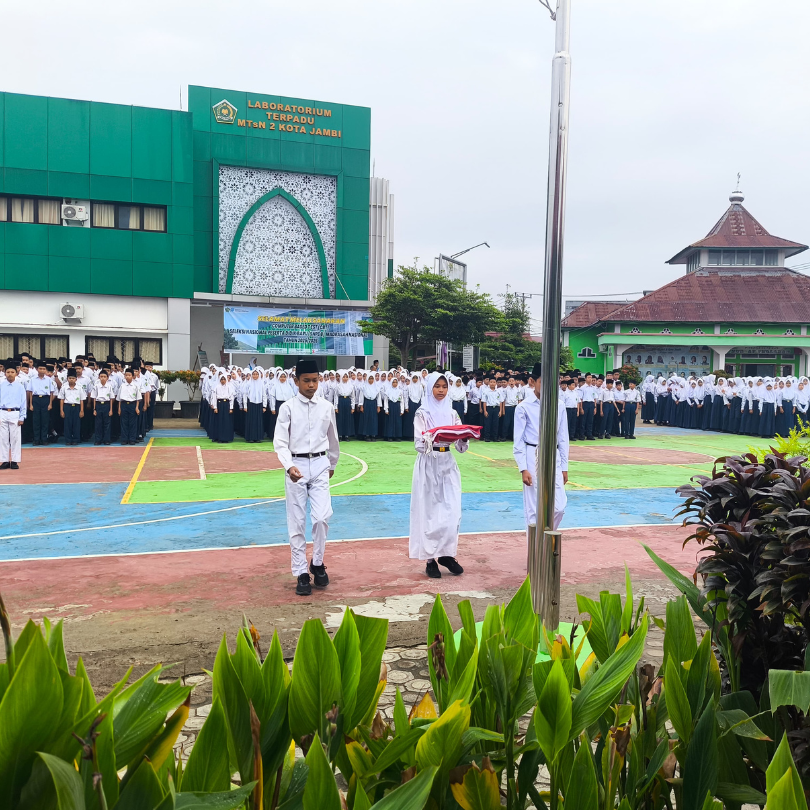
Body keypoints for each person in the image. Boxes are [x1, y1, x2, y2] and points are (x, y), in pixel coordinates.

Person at [273, 358, 340, 596]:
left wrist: (331, 463)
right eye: (306, 381)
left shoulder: (326, 407)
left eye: (315, 380)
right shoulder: (288, 408)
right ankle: (301, 571)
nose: (311, 385)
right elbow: (280, 442)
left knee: (322, 517)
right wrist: (288, 466)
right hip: (296, 467)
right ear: (296, 381)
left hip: (320, 464)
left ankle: (318, 562)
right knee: (297, 521)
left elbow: (333, 438)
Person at [409, 371, 468, 578]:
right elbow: (418, 443)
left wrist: (463, 437)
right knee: (429, 511)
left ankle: (447, 554)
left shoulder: (453, 413)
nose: (441, 390)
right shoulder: (422, 413)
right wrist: (435, 436)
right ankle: (430, 559)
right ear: (430, 388)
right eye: (437, 386)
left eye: (444, 386)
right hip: (429, 463)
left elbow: (461, 447)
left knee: (452, 510)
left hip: (447, 463)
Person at [513, 362, 569, 532]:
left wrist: (564, 466)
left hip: (553, 456)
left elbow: (563, 438)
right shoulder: (523, 407)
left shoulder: (559, 405)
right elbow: (518, 441)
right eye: (543, 382)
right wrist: (523, 468)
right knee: (533, 509)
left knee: (559, 507)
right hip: (532, 455)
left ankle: (546, 539)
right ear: (532, 381)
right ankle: (535, 553)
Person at [0, 361, 27, 469]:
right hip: (2, 412)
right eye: (8, 372)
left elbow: (23, 402)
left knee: (15, 438)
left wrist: (22, 417)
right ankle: (5, 460)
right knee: (3, 438)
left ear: (16, 373)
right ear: (4, 373)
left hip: (15, 413)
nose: (10, 374)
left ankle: (15, 460)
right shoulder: (1, 386)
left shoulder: (20, 387)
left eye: (12, 372)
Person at [28, 359, 56, 446]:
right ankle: (36, 439)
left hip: (45, 399)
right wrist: (31, 404)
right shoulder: (32, 379)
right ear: (37, 369)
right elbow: (30, 392)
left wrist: (50, 403)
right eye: (40, 368)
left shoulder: (49, 380)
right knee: (36, 420)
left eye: (44, 369)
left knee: (45, 420)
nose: (42, 370)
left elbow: (51, 392)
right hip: (36, 399)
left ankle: (44, 439)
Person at [59, 368, 85, 446]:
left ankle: (76, 439)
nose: (71, 380)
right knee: (67, 424)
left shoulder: (79, 388)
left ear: (76, 379)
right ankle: (68, 439)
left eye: (73, 378)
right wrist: (61, 410)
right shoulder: (64, 387)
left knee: (76, 424)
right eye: (70, 378)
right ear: (67, 379)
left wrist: (82, 410)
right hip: (67, 406)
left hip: (76, 406)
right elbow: (61, 399)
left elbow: (82, 400)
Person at [117, 368, 142, 445]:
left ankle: (132, 439)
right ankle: (124, 439)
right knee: (124, 423)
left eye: (129, 375)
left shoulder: (135, 386)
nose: (127, 377)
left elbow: (138, 398)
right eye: (126, 375)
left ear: (132, 376)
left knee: (132, 423)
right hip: (124, 405)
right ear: (124, 376)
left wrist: (137, 407)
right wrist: (119, 408)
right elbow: (119, 399)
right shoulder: (122, 386)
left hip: (132, 405)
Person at [243, 369, 267, 443]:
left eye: (257, 374)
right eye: (254, 374)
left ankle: (258, 437)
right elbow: (245, 394)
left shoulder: (261, 384)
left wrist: (264, 406)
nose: (255, 376)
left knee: (258, 421)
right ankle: (250, 437)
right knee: (251, 421)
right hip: (251, 404)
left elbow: (264, 395)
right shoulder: (248, 384)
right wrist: (245, 406)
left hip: (259, 404)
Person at [92, 368, 115, 445]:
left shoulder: (109, 387)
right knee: (98, 423)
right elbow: (94, 398)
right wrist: (94, 409)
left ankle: (106, 439)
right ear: (99, 377)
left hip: (107, 405)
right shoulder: (96, 386)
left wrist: (111, 409)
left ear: (107, 378)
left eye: (104, 377)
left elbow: (111, 398)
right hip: (98, 405)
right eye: (101, 376)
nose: (103, 378)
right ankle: (98, 439)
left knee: (107, 423)